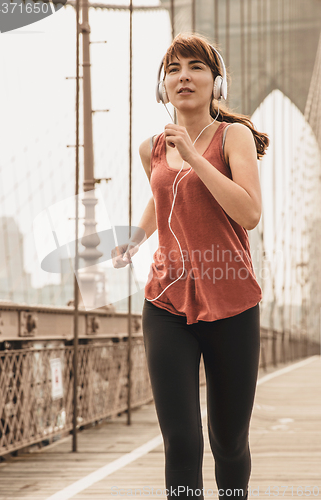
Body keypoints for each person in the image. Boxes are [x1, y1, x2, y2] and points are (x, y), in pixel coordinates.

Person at [112, 32, 269, 500]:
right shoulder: (152, 148)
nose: (184, 77)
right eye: (174, 69)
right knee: (181, 439)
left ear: (216, 83)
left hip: (233, 301)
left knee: (227, 441)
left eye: (196, 67)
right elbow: (166, 197)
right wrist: (136, 239)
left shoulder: (233, 136)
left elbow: (249, 214)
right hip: (166, 301)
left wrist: (197, 156)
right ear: (164, 87)